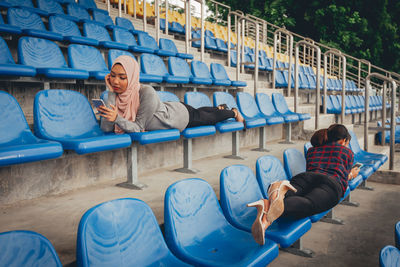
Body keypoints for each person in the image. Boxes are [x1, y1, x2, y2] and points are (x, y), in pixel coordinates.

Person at [247, 124, 360, 245]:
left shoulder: (313, 151)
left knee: (289, 197)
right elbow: (342, 176)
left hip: (306, 177)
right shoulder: (347, 153)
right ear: (344, 141)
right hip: (330, 183)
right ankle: (268, 205)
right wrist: (352, 174)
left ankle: (273, 197)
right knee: (309, 203)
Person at [98, 55, 244, 134]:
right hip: (172, 109)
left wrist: (117, 118)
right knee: (200, 112)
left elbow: (137, 128)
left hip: (177, 117)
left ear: (132, 77)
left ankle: (233, 112)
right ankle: (219, 108)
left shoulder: (145, 91)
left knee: (208, 118)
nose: (115, 81)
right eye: (112, 76)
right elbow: (106, 128)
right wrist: (110, 92)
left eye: (122, 77)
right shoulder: (114, 95)